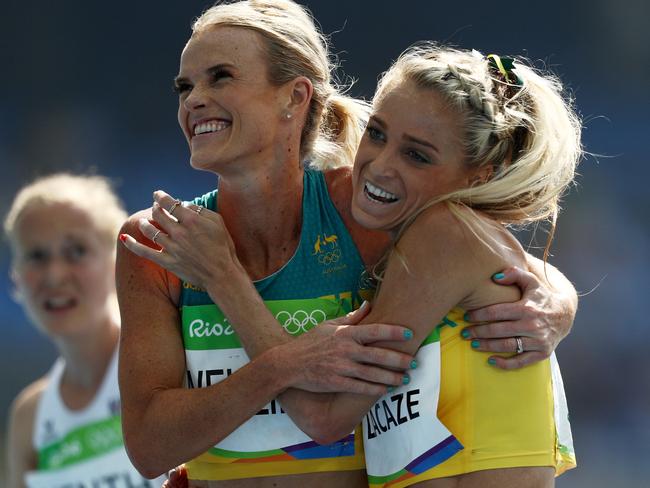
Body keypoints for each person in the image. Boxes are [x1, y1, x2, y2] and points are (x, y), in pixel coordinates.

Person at [117, 1, 578, 487]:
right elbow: (149, 450)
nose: (194, 99)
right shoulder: (157, 242)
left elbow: (488, 256)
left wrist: (558, 303)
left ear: (294, 97)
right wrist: (286, 363)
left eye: (221, 77)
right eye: (185, 87)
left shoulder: (364, 212)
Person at [4, 174, 168, 488]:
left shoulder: (169, 360)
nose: (54, 275)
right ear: (16, 277)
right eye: (36, 256)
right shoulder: (30, 416)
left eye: (76, 251)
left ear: (117, 262)